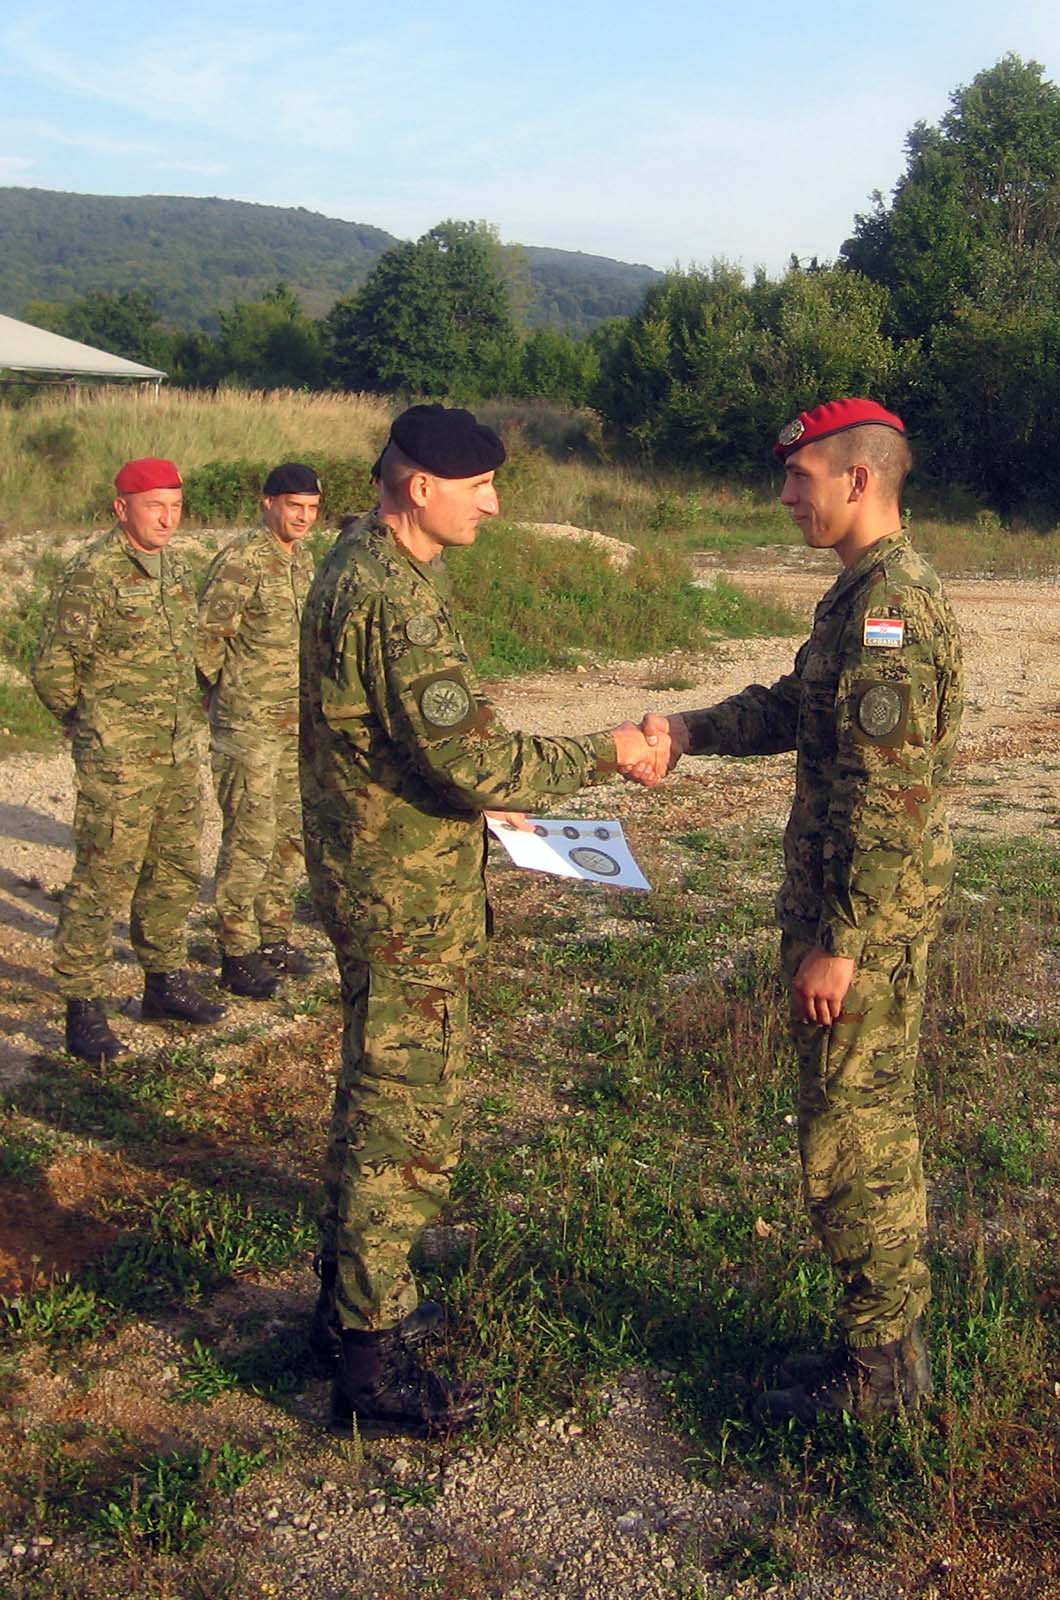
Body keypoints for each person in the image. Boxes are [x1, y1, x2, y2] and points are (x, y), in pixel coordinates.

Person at [300, 403, 665, 1434]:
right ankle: (368, 1365)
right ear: (420, 487)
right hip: (403, 898)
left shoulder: (358, 563)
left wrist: (478, 797)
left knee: (372, 1092)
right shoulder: (393, 597)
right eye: (480, 487)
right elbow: (471, 758)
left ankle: (344, 1309)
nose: (495, 505)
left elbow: (408, 747)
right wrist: (605, 751)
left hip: (376, 873)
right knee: (403, 1116)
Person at [638, 399, 963, 1424]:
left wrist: (841, 944)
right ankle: (879, 1343)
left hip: (861, 929)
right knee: (862, 1124)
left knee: (853, 1138)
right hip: (854, 919)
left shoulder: (891, 610)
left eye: (800, 476)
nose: (784, 495)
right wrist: (688, 728)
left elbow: (887, 793)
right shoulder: (859, 595)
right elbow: (795, 705)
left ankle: (879, 1373)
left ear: (858, 479)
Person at [32, 457, 225, 1065]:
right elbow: (54, 669)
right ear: (122, 509)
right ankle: (82, 1004)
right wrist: (90, 726)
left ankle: (163, 981)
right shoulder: (94, 573)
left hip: (176, 749)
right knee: (104, 875)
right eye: (154, 507)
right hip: (118, 759)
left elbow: (188, 655)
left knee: (175, 869)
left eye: (175, 507)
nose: (167, 519)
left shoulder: (176, 568)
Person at [196, 463, 322, 999]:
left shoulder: (302, 560)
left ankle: (274, 935)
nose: (304, 517)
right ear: (268, 503)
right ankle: (236, 949)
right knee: (250, 837)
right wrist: (218, 695)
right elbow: (208, 637)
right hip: (247, 725)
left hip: (294, 723)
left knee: (290, 835)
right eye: (295, 506)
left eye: (312, 508)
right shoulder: (242, 559)